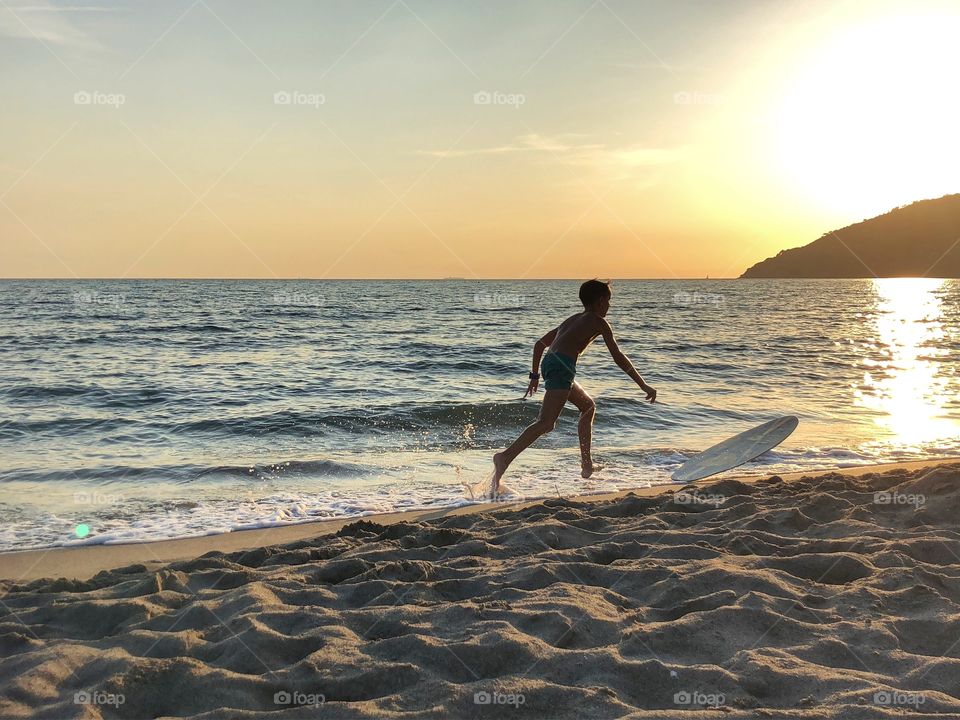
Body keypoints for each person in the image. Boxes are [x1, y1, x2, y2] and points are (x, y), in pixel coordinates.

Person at [492, 279, 656, 493]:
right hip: (562, 366)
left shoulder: (571, 319)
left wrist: (535, 375)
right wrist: (643, 385)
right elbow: (618, 356)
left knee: (588, 407)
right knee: (546, 423)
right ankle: (504, 458)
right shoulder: (599, 322)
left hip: (553, 363)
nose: (609, 306)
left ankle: (586, 465)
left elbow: (539, 345)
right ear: (600, 301)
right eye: (608, 301)